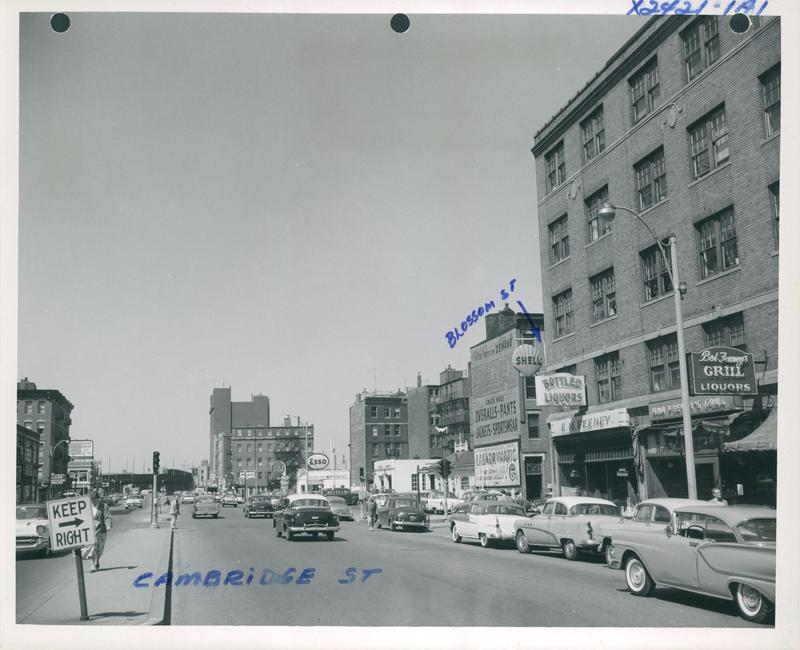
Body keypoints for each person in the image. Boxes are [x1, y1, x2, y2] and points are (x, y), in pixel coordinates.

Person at [83, 493, 111, 572]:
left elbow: (107, 517)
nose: (93, 501)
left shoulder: (104, 506)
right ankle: (92, 565)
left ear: (98, 499)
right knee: (92, 547)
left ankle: (97, 560)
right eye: (92, 500)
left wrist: (108, 525)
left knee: (99, 548)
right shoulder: (87, 507)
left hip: (101, 530)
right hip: (91, 531)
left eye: (95, 499)